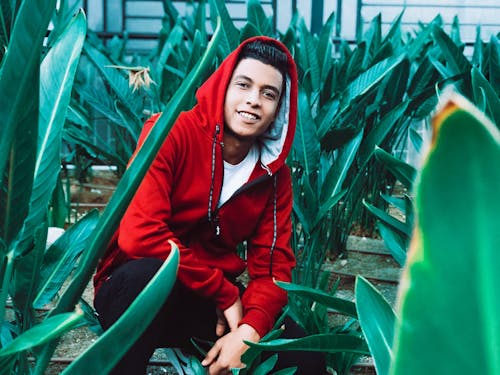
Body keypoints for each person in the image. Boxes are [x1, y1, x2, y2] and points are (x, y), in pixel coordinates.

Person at [93, 36, 325, 374]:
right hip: (133, 288)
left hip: (206, 305)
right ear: (222, 85)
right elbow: (140, 235)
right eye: (243, 85)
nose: (253, 100)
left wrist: (249, 331)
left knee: (305, 357)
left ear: (280, 108)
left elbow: (273, 270)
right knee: (148, 275)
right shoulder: (169, 132)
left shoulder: (275, 176)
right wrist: (224, 293)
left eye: (268, 94)